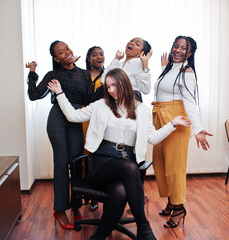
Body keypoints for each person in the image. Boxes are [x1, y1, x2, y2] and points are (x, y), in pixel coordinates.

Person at [47, 68, 191, 240]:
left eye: (114, 85)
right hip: (101, 162)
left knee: (121, 192)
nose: (111, 90)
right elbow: (72, 116)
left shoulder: (142, 110)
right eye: (108, 87)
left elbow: (152, 138)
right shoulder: (100, 105)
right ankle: (144, 227)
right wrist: (60, 94)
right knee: (130, 168)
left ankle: (98, 237)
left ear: (125, 83)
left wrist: (172, 124)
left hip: (125, 164)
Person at [25, 40, 101, 229]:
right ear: (56, 58)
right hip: (58, 118)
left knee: (76, 163)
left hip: (75, 118)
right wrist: (32, 72)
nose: (66, 52)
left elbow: (89, 99)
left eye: (67, 48)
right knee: (61, 164)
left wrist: (104, 89)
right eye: (61, 52)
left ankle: (75, 206)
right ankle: (60, 209)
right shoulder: (53, 74)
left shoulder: (84, 74)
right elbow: (35, 95)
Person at [152, 36, 213, 228]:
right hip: (162, 118)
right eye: (175, 46)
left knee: (174, 168)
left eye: (183, 48)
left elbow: (189, 101)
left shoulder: (187, 72)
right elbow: (166, 90)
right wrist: (163, 69)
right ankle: (171, 199)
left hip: (177, 120)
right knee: (160, 163)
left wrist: (198, 128)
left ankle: (179, 209)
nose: (177, 50)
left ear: (190, 53)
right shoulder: (170, 68)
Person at [84, 46, 105, 211]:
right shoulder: (82, 76)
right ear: (89, 58)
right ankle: (90, 196)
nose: (99, 56)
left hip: (102, 118)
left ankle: (103, 194)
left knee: (100, 157)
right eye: (95, 54)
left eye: (101, 53)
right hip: (84, 118)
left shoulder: (108, 75)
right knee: (86, 158)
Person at [101, 37, 152, 102]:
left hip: (130, 103)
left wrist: (145, 64)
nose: (132, 43)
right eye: (131, 41)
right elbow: (103, 80)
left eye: (137, 44)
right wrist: (116, 59)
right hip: (114, 102)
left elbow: (146, 90)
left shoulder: (138, 63)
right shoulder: (119, 64)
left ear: (141, 53)